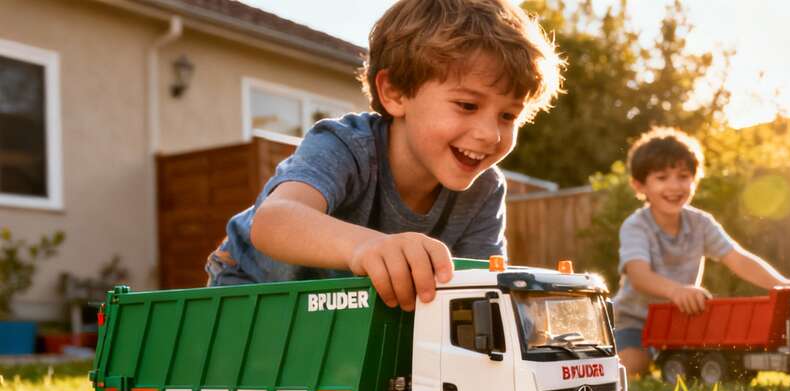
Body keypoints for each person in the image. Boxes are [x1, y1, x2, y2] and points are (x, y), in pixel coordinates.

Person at [205, 0, 562, 311]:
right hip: (253, 289)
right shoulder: (345, 145)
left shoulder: (484, 191)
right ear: (394, 92)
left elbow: (479, 289)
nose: (491, 134)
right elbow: (273, 222)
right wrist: (367, 247)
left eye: (508, 115)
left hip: (345, 309)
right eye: (467, 105)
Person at [611, 126, 790, 377]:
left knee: (711, 361)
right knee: (631, 367)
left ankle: (661, 356)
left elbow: (738, 259)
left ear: (695, 180)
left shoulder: (701, 223)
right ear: (639, 185)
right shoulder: (636, 225)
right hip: (635, 321)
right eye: (662, 178)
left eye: (683, 176)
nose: (674, 186)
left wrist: (783, 285)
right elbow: (639, 275)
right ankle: (640, 354)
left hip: (683, 320)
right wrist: (676, 290)